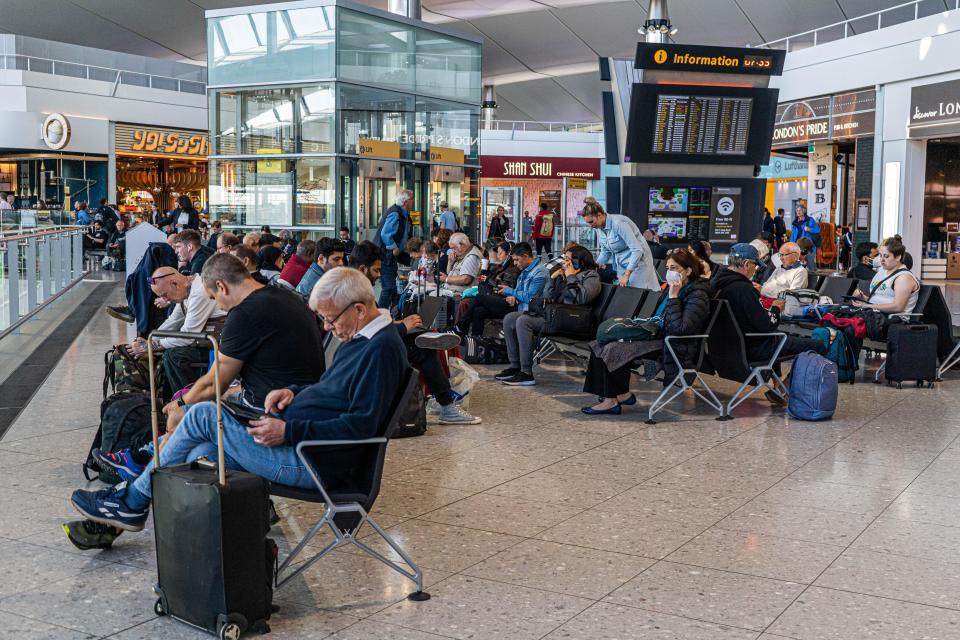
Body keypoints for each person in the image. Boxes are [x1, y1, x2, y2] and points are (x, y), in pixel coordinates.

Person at [69, 265, 399, 535]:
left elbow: (361, 424)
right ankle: (165, 530)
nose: (329, 327)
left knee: (200, 415)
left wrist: (289, 432)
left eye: (331, 319)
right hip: (306, 447)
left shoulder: (380, 349)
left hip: (314, 460)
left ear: (358, 309)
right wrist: (294, 392)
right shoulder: (362, 338)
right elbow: (332, 390)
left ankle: (132, 500)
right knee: (198, 452)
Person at [351, 242, 481, 425]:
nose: (379, 275)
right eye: (376, 270)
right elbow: (364, 330)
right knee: (422, 349)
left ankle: (428, 339)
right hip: (369, 347)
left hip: (373, 341)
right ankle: (447, 406)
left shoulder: (356, 286)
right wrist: (402, 327)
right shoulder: (354, 290)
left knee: (419, 339)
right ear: (363, 268)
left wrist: (397, 323)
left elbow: (369, 323)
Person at [581, 248, 713, 414]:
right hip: (655, 334)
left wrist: (674, 298)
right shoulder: (673, 287)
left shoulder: (697, 295)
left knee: (614, 348)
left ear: (688, 270)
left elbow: (681, 329)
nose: (670, 273)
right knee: (599, 344)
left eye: (675, 269)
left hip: (672, 344)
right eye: (668, 268)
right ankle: (620, 394)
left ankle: (610, 402)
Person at [713, 243, 825, 404]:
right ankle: (785, 387)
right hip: (752, 350)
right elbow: (767, 324)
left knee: (778, 338)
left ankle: (778, 389)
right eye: (755, 266)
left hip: (727, 350)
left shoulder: (717, 285)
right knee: (818, 346)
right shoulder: (743, 290)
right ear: (746, 264)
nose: (756, 270)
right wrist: (775, 310)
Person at [498, 245, 601, 387]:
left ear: (579, 260)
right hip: (557, 316)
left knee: (524, 321)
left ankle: (526, 373)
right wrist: (552, 279)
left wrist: (571, 276)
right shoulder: (565, 274)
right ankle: (515, 366)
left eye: (568, 259)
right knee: (511, 318)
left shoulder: (591, 276)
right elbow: (548, 296)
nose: (565, 263)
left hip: (574, 320)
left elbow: (581, 299)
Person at [124, 267, 227, 393]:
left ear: (175, 283)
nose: (166, 300)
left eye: (165, 295)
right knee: (167, 351)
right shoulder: (187, 290)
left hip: (219, 346)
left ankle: (189, 401)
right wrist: (149, 340)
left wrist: (153, 345)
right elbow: (173, 321)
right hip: (204, 341)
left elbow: (188, 336)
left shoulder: (199, 291)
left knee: (174, 356)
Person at [456, 242, 547, 336]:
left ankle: (459, 328)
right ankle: (475, 342)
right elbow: (520, 291)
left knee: (479, 297)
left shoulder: (539, 272)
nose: (515, 263)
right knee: (478, 311)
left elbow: (530, 298)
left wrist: (510, 292)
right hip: (516, 304)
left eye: (516, 260)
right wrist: (513, 296)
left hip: (526, 310)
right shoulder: (525, 269)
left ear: (525, 256)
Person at [581, 198, 659, 290]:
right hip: (622, 264)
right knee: (625, 293)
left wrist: (627, 274)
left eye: (591, 222)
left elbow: (637, 250)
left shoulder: (618, 224)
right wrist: (595, 266)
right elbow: (605, 251)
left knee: (639, 293)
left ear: (599, 215)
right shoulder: (599, 227)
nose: (590, 226)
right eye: (588, 223)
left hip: (639, 264)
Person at [852, 235, 920, 315]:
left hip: (892, 320)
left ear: (898, 257)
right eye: (880, 255)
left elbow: (897, 307)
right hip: (874, 314)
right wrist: (864, 298)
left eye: (886, 256)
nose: (882, 260)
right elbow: (879, 301)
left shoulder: (904, 278)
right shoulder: (882, 271)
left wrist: (867, 306)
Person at [374, 189, 413, 309]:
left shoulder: (402, 213)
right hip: (386, 255)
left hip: (391, 255)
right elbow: (385, 234)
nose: (413, 202)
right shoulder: (396, 213)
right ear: (406, 201)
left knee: (393, 287)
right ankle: (380, 316)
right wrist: (394, 248)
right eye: (412, 199)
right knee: (389, 287)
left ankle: (395, 312)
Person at [441, 232, 484, 296]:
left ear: (462, 244)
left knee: (432, 297)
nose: (453, 251)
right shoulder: (463, 254)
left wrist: (446, 279)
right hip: (450, 290)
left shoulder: (472, 256)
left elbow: (466, 279)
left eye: (454, 248)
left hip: (459, 294)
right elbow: (449, 273)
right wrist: (451, 263)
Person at [791, 208, 820, 272]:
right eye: (797, 210)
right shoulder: (795, 222)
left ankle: (813, 277)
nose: (798, 212)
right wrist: (791, 244)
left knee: (811, 264)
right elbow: (793, 234)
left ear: (804, 211)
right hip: (797, 245)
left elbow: (818, 230)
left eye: (800, 210)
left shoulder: (810, 220)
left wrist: (809, 229)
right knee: (798, 263)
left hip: (807, 245)